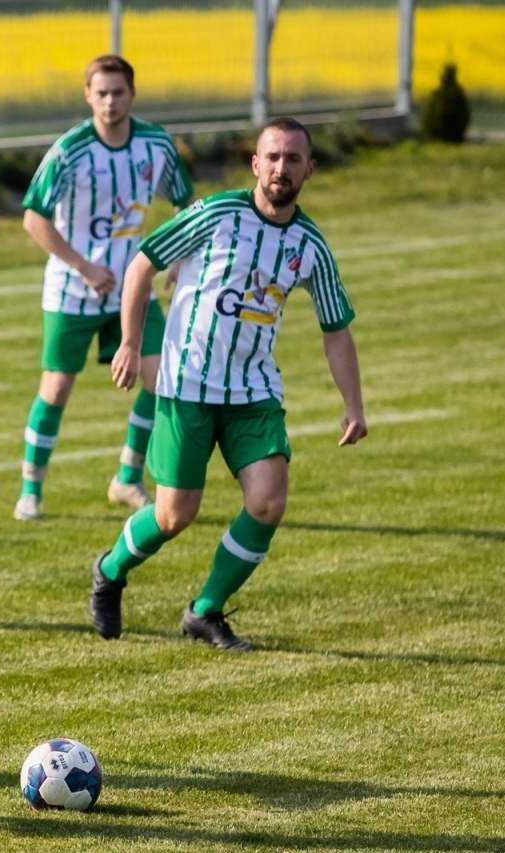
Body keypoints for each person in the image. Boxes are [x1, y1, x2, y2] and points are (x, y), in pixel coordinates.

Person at [88, 118, 366, 651]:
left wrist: (353, 404)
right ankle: (111, 569)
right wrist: (129, 342)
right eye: (273, 157)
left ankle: (205, 610)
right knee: (174, 516)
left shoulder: (310, 246)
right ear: (255, 163)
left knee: (268, 501)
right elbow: (143, 264)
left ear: (310, 168)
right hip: (186, 385)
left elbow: (336, 328)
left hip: (253, 393)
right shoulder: (216, 214)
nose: (281, 168)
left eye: (292, 159)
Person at [14, 55, 193, 520]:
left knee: (161, 380)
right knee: (55, 388)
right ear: (88, 96)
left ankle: (127, 479)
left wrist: (178, 257)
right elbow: (34, 217)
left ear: (132, 94)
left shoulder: (157, 145)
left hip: (134, 288)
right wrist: (84, 266)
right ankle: (30, 491)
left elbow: (185, 204)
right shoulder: (69, 151)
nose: (110, 101)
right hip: (73, 290)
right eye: (102, 92)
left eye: (118, 92)